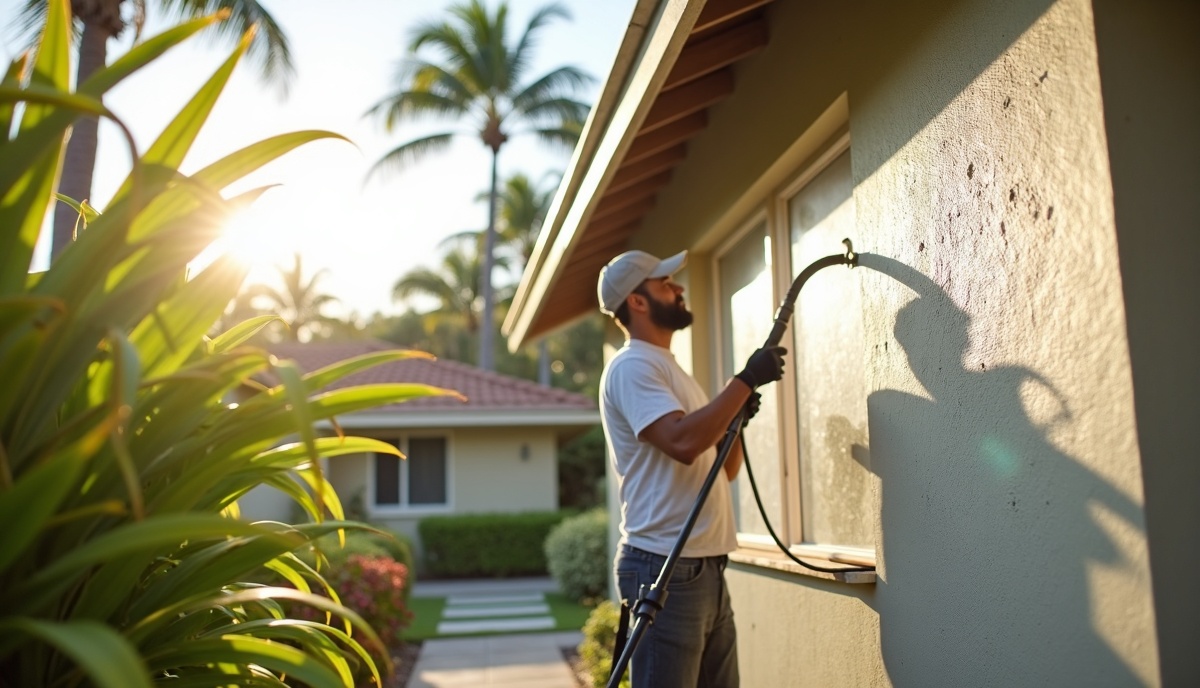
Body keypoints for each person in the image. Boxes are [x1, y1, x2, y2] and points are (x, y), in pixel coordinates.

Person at [596, 248, 787, 688]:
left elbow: (724, 469)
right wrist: (743, 382)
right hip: (664, 566)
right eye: (665, 283)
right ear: (638, 301)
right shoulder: (631, 367)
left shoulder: (670, 370)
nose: (678, 288)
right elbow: (682, 443)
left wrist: (733, 418)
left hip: (705, 566)